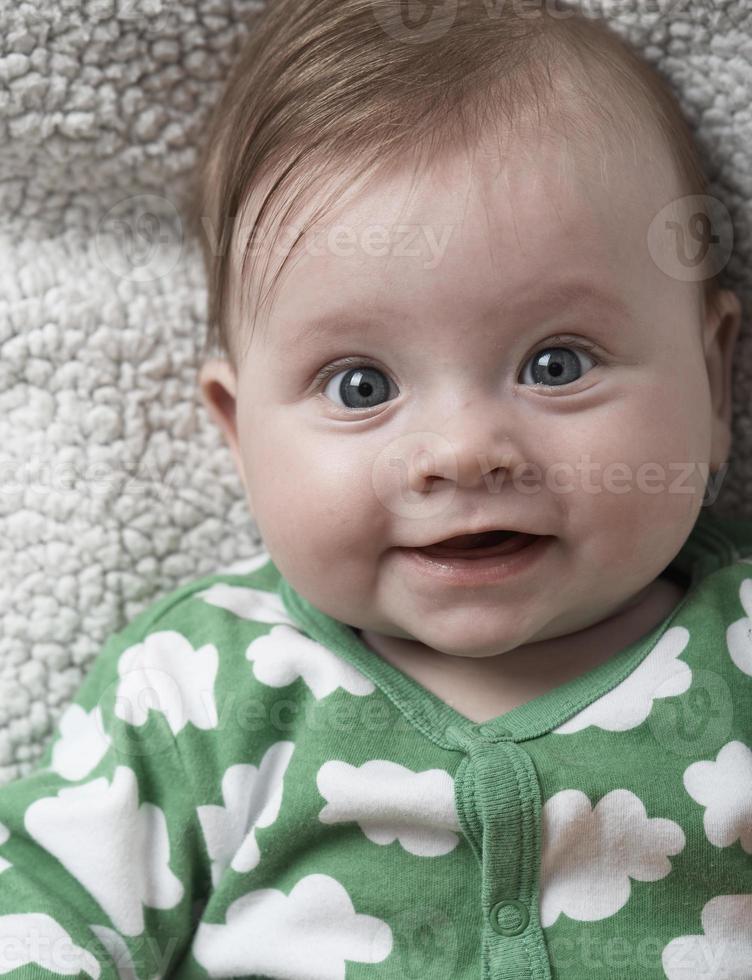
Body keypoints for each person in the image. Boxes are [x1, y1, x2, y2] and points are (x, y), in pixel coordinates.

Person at [1, 1, 751, 978]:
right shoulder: (200, 684)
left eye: (557, 363)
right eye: (361, 386)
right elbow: (40, 911)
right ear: (238, 431)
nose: (463, 452)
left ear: (713, 379)